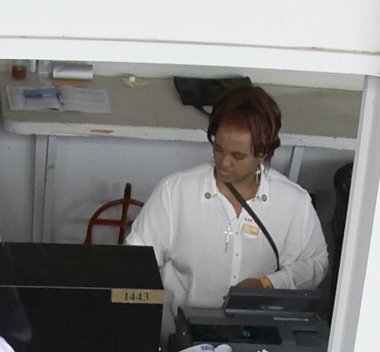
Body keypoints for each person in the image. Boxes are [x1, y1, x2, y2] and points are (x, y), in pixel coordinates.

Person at [127, 84, 330, 314]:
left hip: (254, 334)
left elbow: (314, 264)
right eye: (218, 148)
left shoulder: (293, 202)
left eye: (238, 156)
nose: (224, 162)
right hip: (178, 335)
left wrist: (268, 284)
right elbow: (136, 260)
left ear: (262, 153)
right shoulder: (175, 192)